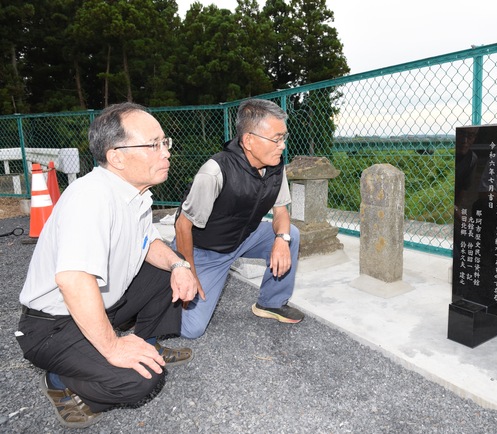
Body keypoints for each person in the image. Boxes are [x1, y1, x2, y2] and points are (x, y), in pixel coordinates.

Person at [15, 102, 198, 429]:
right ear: (117, 156)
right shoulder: (93, 198)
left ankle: (147, 343)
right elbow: (73, 279)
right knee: (141, 381)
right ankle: (60, 380)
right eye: (154, 145)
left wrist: (178, 264)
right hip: (53, 325)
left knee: (163, 271)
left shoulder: (134, 194)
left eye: (164, 142)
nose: (166, 152)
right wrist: (112, 347)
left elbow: (149, 244)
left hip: (98, 304)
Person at [174, 98, 304, 339]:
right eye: (276, 139)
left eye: (284, 137)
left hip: (245, 236)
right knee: (192, 329)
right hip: (207, 250)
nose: (283, 146)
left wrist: (281, 240)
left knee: (291, 234)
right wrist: (187, 272)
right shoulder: (214, 172)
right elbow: (183, 226)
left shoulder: (275, 165)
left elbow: (281, 212)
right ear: (249, 141)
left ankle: (270, 302)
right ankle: (159, 281)